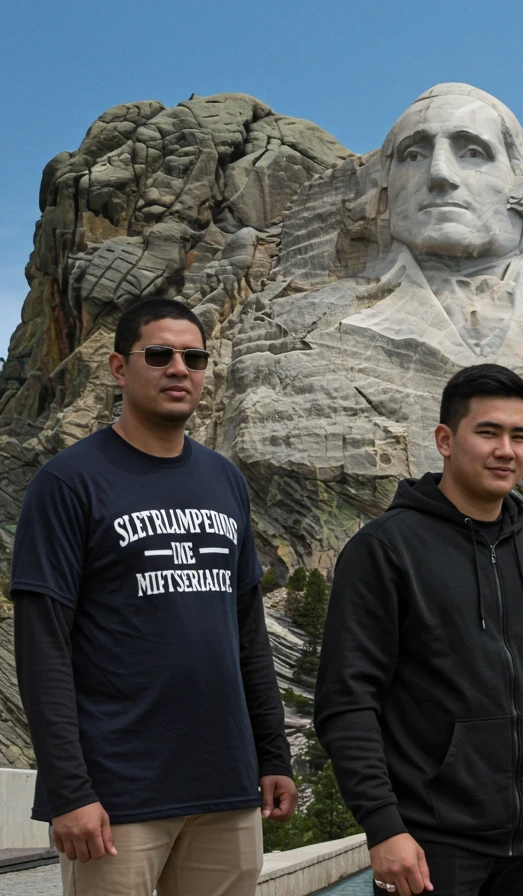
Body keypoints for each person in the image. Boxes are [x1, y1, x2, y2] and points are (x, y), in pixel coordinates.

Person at [11, 297, 296, 896]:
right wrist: (70, 789)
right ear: (119, 368)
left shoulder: (225, 480)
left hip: (226, 784)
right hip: (119, 795)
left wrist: (273, 755)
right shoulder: (67, 483)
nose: (178, 368)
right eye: (159, 354)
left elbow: (247, 631)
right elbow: (42, 651)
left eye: (193, 357)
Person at [314, 363, 523, 896]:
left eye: (519, 436)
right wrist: (384, 826)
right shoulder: (385, 549)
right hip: (433, 845)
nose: (507, 450)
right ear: (446, 440)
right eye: (489, 432)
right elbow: (348, 700)